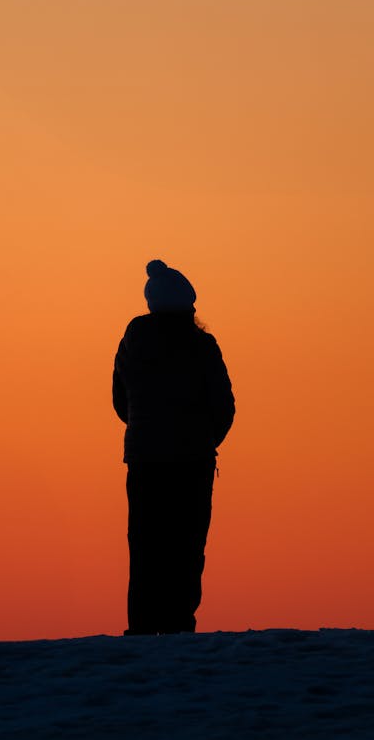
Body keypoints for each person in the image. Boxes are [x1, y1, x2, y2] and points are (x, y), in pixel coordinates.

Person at [112, 259, 235, 635]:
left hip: (145, 461)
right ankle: (179, 626)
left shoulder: (133, 340)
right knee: (186, 546)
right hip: (191, 463)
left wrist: (143, 430)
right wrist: (203, 441)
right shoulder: (203, 346)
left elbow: (120, 401)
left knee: (146, 547)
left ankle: (142, 628)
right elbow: (224, 407)